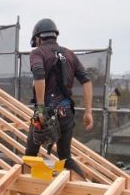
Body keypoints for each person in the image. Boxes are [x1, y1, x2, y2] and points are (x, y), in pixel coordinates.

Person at [24, 18, 94, 178]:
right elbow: (87, 81)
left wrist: (40, 108)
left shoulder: (37, 53)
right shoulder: (69, 54)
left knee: (30, 155)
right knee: (65, 157)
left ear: (38, 38)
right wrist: (88, 112)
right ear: (54, 36)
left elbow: (39, 75)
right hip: (66, 112)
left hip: (46, 112)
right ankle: (87, 191)